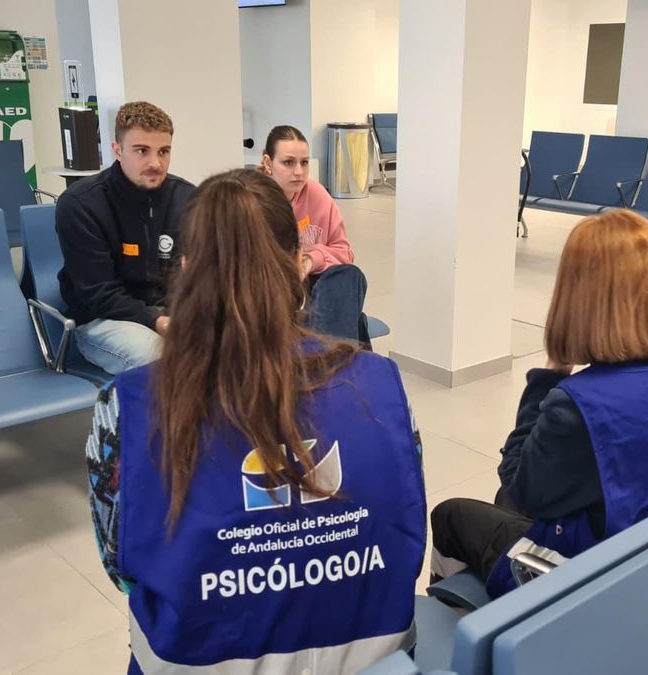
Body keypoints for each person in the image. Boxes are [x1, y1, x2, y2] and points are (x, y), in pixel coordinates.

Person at [86, 169, 426, 674]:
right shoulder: (385, 387)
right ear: (296, 266)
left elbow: (123, 566)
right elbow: (405, 523)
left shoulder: (127, 407)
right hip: (373, 659)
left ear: (185, 269)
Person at [430, 210, 648, 598]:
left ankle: (472, 632)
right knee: (508, 503)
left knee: (454, 514)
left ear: (578, 297)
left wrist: (551, 374)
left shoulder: (582, 405)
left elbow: (519, 481)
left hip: (616, 587)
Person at [56, 101, 194, 375]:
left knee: (244, 346)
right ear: (117, 150)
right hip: (105, 319)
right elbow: (98, 294)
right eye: (141, 151)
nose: (155, 163)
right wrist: (160, 321)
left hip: (171, 312)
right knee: (162, 363)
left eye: (163, 151)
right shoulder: (81, 203)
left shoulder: (188, 198)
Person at [260, 125, 369, 342]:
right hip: (270, 293)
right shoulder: (252, 199)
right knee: (353, 321)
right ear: (267, 163)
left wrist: (311, 260)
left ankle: (326, 361)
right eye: (288, 163)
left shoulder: (316, 194)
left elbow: (344, 251)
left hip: (314, 290)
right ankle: (335, 364)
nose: (299, 172)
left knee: (349, 275)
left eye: (305, 162)